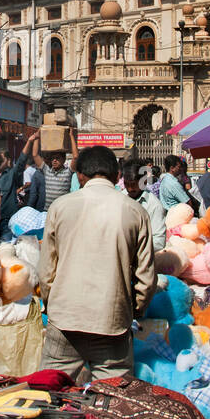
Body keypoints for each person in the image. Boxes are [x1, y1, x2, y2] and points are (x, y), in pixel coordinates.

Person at [41, 146, 156, 382]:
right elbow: (146, 278)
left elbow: (46, 272)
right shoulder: (136, 211)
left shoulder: (60, 207)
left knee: (51, 391)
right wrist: (134, 309)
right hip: (111, 321)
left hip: (65, 318)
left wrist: (50, 302)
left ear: (80, 176)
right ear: (117, 177)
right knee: (113, 401)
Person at [121, 159, 167, 254]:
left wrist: (134, 249)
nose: (130, 189)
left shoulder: (154, 205)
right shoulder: (119, 198)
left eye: (133, 185)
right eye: (127, 184)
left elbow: (159, 241)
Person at [34, 131, 77, 210]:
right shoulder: (46, 170)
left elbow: (75, 157)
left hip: (62, 211)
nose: (54, 160)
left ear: (64, 160)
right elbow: (35, 155)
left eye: (57, 158)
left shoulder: (68, 172)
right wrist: (37, 137)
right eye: (52, 158)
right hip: (48, 211)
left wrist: (71, 136)